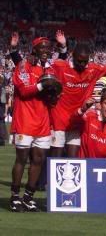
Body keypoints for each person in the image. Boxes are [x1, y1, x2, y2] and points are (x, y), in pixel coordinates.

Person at [49, 43, 106, 158]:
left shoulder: (93, 70)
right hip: (58, 120)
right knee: (55, 160)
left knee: (74, 161)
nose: (82, 64)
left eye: (85, 61)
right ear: (72, 56)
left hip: (77, 122)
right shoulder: (61, 67)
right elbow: (46, 71)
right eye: (79, 61)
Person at [9, 37, 56, 212]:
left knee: (38, 160)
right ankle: (14, 196)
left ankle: (28, 197)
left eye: (48, 47)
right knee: (21, 158)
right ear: (34, 49)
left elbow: (53, 95)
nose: (46, 50)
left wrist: (53, 93)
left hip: (43, 122)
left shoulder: (49, 69)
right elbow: (23, 90)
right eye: (42, 47)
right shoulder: (23, 65)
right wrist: (43, 85)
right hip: (25, 120)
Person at [73, 90, 106, 158]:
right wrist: (83, 109)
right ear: (101, 104)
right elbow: (74, 120)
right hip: (85, 163)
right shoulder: (90, 116)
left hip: (104, 166)